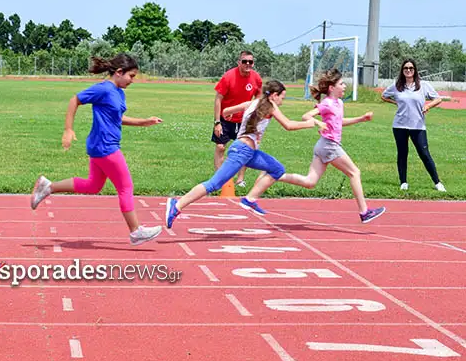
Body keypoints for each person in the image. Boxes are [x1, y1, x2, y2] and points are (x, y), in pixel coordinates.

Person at [31, 54, 163, 246]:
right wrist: (68, 129)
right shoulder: (104, 89)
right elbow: (74, 100)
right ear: (119, 72)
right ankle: (135, 231)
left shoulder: (119, 91)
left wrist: (144, 122)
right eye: (131, 76)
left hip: (101, 145)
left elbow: (116, 118)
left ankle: (49, 186)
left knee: (94, 185)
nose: (133, 81)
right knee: (125, 187)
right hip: (105, 146)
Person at [165, 79, 326, 228]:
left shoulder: (253, 102)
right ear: (274, 96)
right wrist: (310, 123)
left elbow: (226, 111)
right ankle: (177, 205)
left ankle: (249, 199)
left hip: (249, 153)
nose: (282, 102)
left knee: (277, 169)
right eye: (282, 98)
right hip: (241, 151)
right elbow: (288, 125)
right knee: (214, 184)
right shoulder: (270, 105)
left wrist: (229, 114)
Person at [243, 69, 386, 224]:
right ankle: (364, 212)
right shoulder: (327, 104)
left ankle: (273, 175)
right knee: (354, 172)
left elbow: (339, 122)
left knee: (310, 182)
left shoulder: (339, 103)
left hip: (324, 146)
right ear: (332, 88)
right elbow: (306, 116)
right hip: (329, 146)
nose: (345, 86)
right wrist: (318, 122)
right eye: (341, 84)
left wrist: (361, 119)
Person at [380, 59, 445, 192]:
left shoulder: (423, 85)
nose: (408, 70)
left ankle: (437, 182)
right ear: (402, 71)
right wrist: (395, 103)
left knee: (424, 153)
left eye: (411, 68)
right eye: (405, 68)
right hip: (400, 125)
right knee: (402, 153)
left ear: (415, 70)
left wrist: (428, 106)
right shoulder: (397, 86)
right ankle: (403, 182)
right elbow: (384, 96)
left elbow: (438, 99)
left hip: (418, 126)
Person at [212, 50, 263, 188]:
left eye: (250, 62)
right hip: (225, 117)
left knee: (244, 149)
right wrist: (217, 122)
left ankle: (240, 179)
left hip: (244, 120)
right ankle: (219, 180)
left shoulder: (256, 78)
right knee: (220, 147)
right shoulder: (229, 76)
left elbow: (259, 96)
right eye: (244, 61)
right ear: (239, 62)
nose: (247, 64)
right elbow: (218, 99)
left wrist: (254, 114)